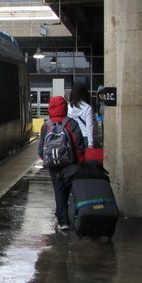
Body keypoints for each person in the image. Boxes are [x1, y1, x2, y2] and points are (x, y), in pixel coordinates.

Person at [39, 96, 86, 231]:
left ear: (50, 108)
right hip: (69, 163)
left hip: (53, 165)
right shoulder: (71, 123)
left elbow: (42, 147)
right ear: (65, 108)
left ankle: (62, 219)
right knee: (68, 189)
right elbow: (79, 144)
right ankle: (65, 216)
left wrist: (44, 158)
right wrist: (81, 161)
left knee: (58, 190)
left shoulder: (46, 125)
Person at [67, 82, 94, 148]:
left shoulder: (68, 107)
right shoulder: (87, 107)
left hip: (71, 136)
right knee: (84, 157)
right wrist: (91, 143)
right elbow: (89, 126)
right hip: (84, 136)